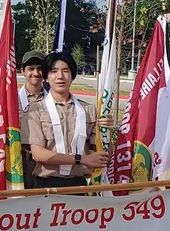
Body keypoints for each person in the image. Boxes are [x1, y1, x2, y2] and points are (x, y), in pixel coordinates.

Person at [25, 50, 108, 190]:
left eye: (65, 71)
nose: (60, 76)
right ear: (46, 77)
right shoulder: (36, 110)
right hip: (46, 185)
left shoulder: (88, 110)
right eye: (54, 71)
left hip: (79, 184)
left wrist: (107, 130)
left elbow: (104, 153)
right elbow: (38, 153)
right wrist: (81, 159)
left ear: (72, 76)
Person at [18, 51, 46, 188]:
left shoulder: (52, 101)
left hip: (45, 161)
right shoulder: (12, 100)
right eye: (31, 69)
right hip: (19, 159)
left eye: (40, 68)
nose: (36, 73)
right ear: (22, 71)